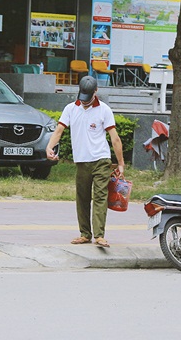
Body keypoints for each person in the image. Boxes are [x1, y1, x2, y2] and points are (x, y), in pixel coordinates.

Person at [45, 75, 125, 248]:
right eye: (83, 97)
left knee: (100, 196)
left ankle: (99, 235)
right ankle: (85, 234)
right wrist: (49, 147)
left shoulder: (104, 110)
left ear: (96, 92)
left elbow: (115, 139)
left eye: (88, 98)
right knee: (82, 198)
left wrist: (120, 163)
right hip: (81, 161)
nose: (85, 102)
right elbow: (59, 130)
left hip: (101, 160)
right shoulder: (70, 109)